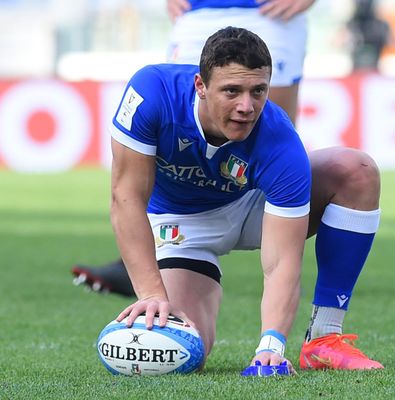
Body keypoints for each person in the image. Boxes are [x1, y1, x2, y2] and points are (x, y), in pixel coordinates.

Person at [104, 27, 383, 372]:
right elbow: (126, 198)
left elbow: (281, 260)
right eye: (232, 91)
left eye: (258, 91)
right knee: (180, 351)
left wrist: (272, 344)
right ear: (201, 87)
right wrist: (151, 294)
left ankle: (324, 339)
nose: (246, 107)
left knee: (356, 169)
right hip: (179, 225)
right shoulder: (152, 94)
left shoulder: (280, 140)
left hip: (254, 209)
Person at [72, 0, 316, 295]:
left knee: (265, 130)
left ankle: (276, 263)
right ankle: (151, 254)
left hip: (269, 12)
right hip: (197, 12)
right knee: (181, 111)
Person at [346, 0, 391, 71]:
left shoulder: (380, 25)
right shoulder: (351, 24)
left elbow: (393, 42)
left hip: (374, 69)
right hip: (356, 71)